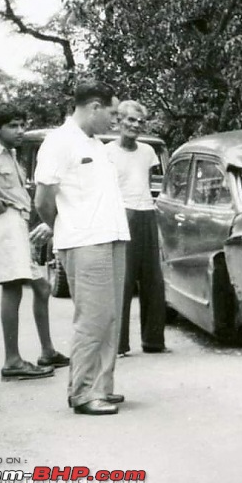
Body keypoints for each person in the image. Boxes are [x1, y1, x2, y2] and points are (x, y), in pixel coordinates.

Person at [34, 80, 130, 415]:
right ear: (94, 106)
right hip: (84, 241)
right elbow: (44, 198)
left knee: (111, 317)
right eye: (112, 114)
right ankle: (83, 392)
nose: (114, 121)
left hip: (111, 236)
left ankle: (102, 386)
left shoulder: (95, 144)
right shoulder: (59, 142)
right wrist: (64, 223)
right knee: (93, 318)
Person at [0, 103, 68, 381]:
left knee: (42, 288)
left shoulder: (10, 154)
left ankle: (47, 351)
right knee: (13, 288)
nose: (20, 131)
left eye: (22, 124)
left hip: (17, 224)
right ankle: (13, 360)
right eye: (13, 126)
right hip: (6, 224)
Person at [104, 100, 168, 356]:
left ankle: (153, 341)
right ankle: (118, 344)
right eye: (130, 120)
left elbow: (148, 185)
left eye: (140, 122)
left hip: (146, 213)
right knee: (124, 279)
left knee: (153, 279)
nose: (135, 126)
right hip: (122, 215)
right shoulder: (106, 152)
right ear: (119, 121)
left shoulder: (148, 153)